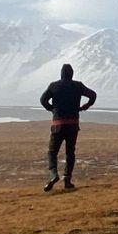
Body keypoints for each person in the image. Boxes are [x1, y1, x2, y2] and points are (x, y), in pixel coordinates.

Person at [39, 63, 97, 192]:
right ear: (72, 74)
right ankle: (67, 180)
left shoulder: (54, 86)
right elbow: (93, 95)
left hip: (58, 124)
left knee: (52, 152)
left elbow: (43, 100)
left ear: (61, 74)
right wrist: (84, 107)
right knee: (70, 153)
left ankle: (53, 175)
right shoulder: (78, 86)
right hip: (73, 124)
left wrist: (52, 110)